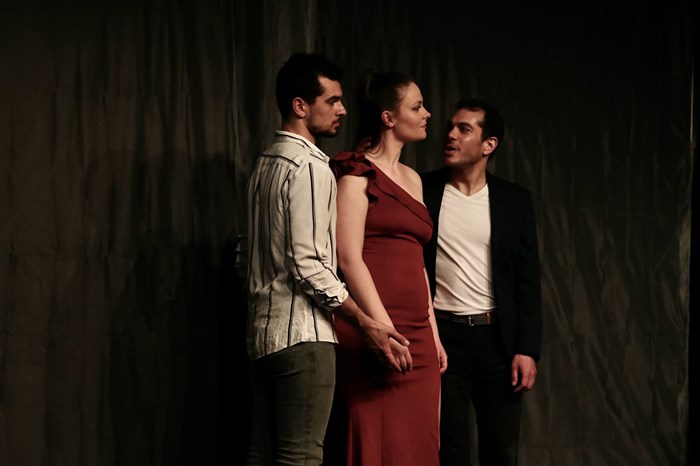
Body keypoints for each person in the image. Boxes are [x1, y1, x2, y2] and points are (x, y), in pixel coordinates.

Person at [243, 53, 411, 466]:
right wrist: (363, 321)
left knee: (262, 455)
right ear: (300, 106)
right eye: (332, 101)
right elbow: (310, 266)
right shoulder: (310, 166)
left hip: (261, 337)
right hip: (303, 337)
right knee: (301, 457)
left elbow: (246, 254)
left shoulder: (265, 164)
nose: (343, 109)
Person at [326, 71, 448, 466]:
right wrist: (382, 328)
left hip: (418, 334)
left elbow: (419, 263)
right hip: (375, 329)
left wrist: (434, 334)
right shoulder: (357, 173)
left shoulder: (413, 179)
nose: (427, 114)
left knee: (419, 445)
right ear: (388, 118)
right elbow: (348, 257)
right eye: (417, 107)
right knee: (377, 444)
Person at [421, 98, 543, 466]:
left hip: (497, 343)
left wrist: (527, 349)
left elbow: (527, 280)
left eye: (464, 129)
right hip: (443, 340)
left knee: (500, 452)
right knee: (449, 451)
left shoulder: (514, 200)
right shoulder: (422, 190)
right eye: (450, 127)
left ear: (489, 145)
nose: (450, 135)